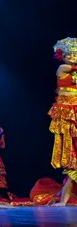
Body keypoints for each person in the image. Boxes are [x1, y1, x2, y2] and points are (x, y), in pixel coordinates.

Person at [48, 37, 77, 206]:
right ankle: (63, 202)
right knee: (68, 145)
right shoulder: (62, 68)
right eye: (69, 55)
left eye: (75, 55)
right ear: (63, 57)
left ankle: (64, 201)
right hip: (66, 111)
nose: (72, 58)